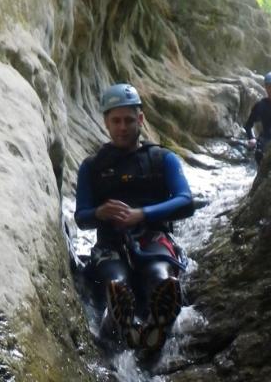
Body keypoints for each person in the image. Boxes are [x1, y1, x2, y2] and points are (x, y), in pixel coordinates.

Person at [74, 83, 193, 352]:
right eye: (115, 120)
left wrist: (142, 214)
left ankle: (156, 322)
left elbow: (185, 201)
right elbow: (82, 217)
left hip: (153, 238)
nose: (123, 127)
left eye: (129, 120)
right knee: (117, 281)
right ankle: (124, 324)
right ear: (106, 122)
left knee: (159, 276)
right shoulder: (92, 166)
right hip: (110, 244)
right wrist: (99, 213)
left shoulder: (163, 158)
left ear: (140, 119)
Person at [244, 71, 271, 164]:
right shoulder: (261, 105)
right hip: (266, 137)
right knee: (260, 153)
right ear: (265, 88)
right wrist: (251, 138)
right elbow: (248, 125)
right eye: (269, 87)